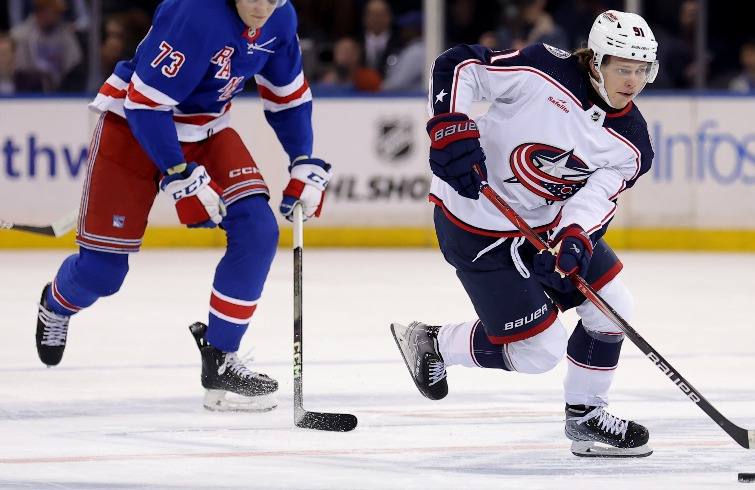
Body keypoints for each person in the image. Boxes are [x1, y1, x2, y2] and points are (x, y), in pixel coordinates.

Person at [34, 0, 333, 413]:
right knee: (102, 273)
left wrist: (302, 159)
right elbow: (144, 103)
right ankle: (56, 303)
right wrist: (178, 172)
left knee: (258, 231)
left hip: (207, 130)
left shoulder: (281, 18)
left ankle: (220, 356)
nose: (263, 6)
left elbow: (288, 97)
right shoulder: (197, 13)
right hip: (134, 128)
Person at [391, 10, 658, 458]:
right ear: (596, 61)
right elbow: (459, 65)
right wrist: (449, 125)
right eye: (622, 68)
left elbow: (594, 199)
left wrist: (576, 238)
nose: (632, 80)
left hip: (548, 226)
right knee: (540, 352)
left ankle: (587, 417)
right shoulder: (542, 69)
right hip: (473, 222)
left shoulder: (633, 143)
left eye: (641, 70)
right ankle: (433, 342)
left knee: (614, 307)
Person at [9, 0, 83, 92]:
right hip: (28, 93)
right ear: (41, 11)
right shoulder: (20, 35)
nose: (59, 15)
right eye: (54, 11)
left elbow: (74, 65)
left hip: (60, 93)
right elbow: (19, 70)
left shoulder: (66, 35)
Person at [380, 10, 425, 92]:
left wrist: (378, 86)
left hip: (413, 99)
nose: (401, 31)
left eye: (405, 28)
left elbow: (398, 83)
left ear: (413, 30)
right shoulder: (412, 48)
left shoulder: (417, 51)